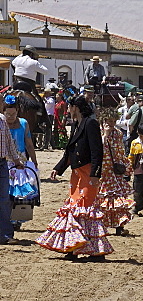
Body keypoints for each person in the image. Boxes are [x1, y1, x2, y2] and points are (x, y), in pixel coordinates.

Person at [36, 96, 112, 259]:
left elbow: (97, 151)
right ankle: (74, 247)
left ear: (75, 107)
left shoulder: (90, 123)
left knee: (85, 210)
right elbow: (69, 153)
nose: (67, 111)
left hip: (88, 173)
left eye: (69, 107)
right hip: (76, 175)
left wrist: (95, 174)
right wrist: (58, 168)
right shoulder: (77, 124)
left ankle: (93, 250)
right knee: (75, 209)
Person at [95, 113, 134, 236]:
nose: (111, 124)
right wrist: (105, 135)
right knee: (101, 199)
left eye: (113, 121)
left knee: (118, 199)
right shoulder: (98, 132)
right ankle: (100, 225)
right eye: (109, 121)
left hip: (114, 172)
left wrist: (124, 165)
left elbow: (120, 150)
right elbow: (97, 148)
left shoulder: (118, 133)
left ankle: (119, 226)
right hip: (102, 171)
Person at [2, 96, 34, 235]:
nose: (10, 117)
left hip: (20, 160)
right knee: (7, 192)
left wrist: (34, 160)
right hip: (6, 160)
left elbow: (28, 143)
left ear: (17, 112)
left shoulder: (23, 123)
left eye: (13, 114)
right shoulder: (2, 122)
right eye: (8, 114)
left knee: (21, 192)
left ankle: (17, 220)